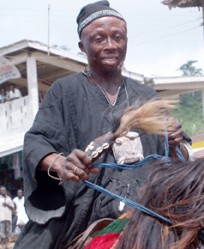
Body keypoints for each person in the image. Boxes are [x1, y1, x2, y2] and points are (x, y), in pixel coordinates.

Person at [14, 1, 193, 249]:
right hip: (84, 206)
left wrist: (174, 142)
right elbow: (36, 142)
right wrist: (62, 163)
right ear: (82, 46)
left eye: (117, 37)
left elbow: (179, 155)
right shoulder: (65, 91)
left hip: (148, 205)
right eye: (99, 39)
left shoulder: (147, 95)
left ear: (126, 40)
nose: (110, 45)